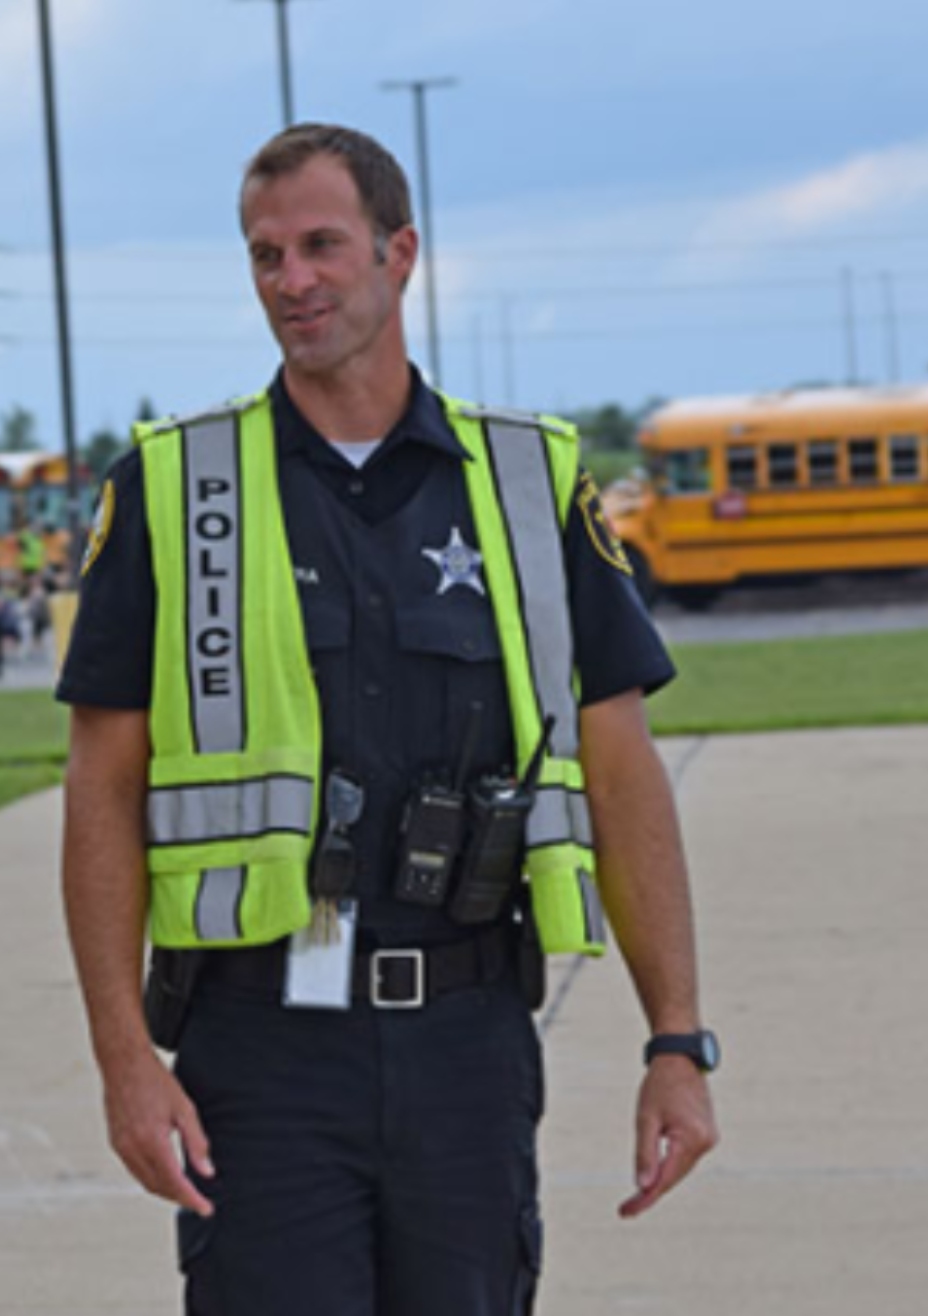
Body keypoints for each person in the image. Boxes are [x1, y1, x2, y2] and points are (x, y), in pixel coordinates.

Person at [57, 124, 718, 1316]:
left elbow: (619, 769)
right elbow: (102, 784)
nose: (290, 281)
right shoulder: (172, 491)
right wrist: (122, 1059)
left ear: (399, 252)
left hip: (464, 1038)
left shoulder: (527, 484)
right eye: (264, 256)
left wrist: (676, 1040)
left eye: (319, 246)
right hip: (261, 1046)